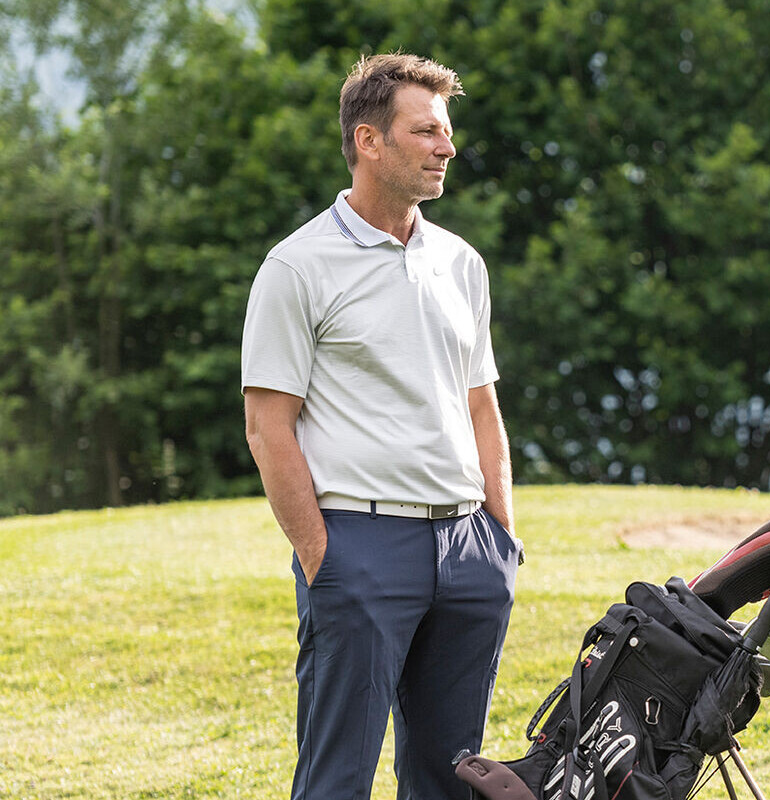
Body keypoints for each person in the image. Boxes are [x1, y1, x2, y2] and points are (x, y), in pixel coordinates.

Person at [242, 53, 521, 800]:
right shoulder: (297, 267)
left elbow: (480, 406)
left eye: (447, 130)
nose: (447, 147)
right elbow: (269, 429)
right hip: (358, 550)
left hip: (469, 553)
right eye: (426, 130)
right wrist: (320, 557)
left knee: (450, 779)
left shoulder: (461, 263)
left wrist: (500, 538)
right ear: (370, 141)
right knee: (336, 780)